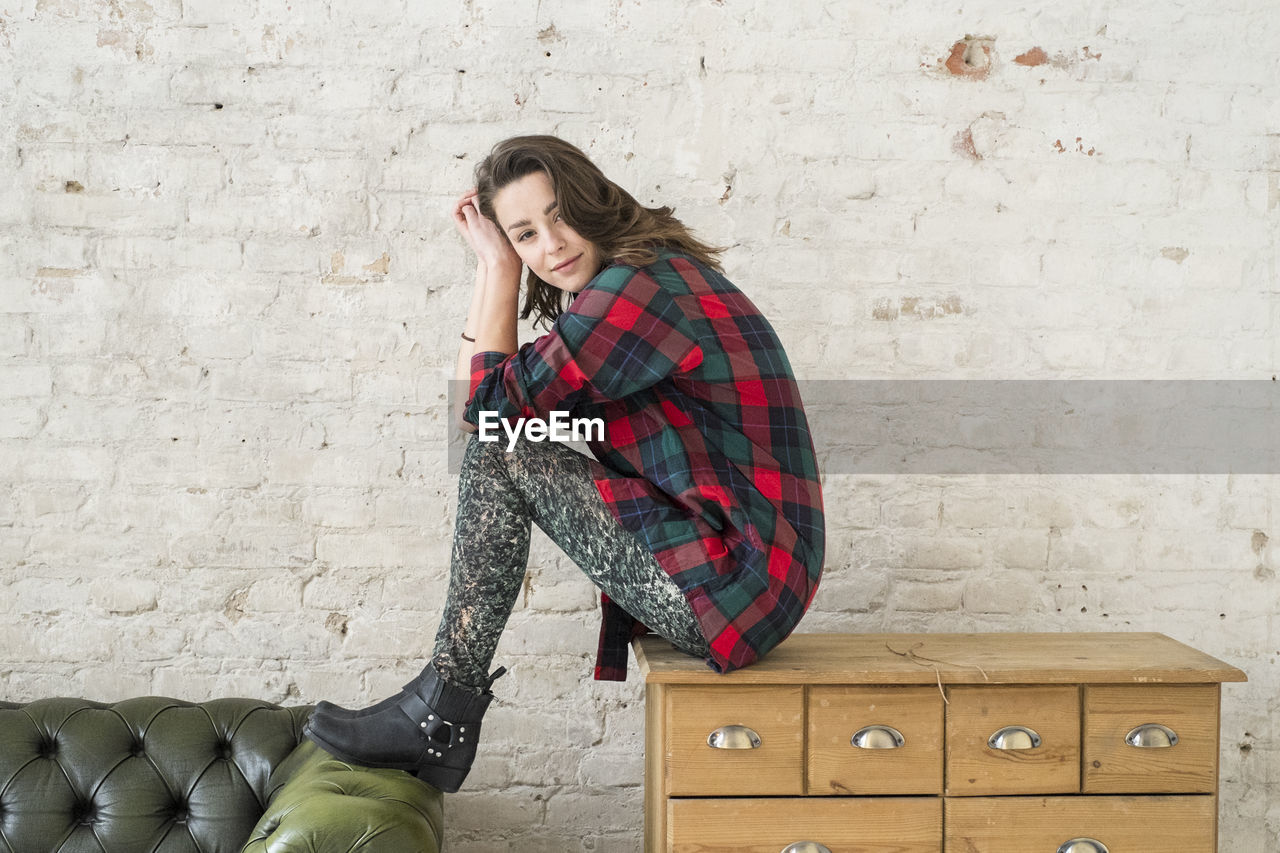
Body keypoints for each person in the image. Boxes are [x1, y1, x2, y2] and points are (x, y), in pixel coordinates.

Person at [303, 135, 825, 793]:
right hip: (749, 575)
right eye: (524, 235)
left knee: (499, 448)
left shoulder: (634, 295)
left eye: (559, 214)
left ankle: (440, 712)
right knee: (504, 445)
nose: (551, 243)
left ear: (592, 199)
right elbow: (489, 403)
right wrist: (498, 266)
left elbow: (484, 413)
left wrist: (497, 273)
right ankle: (438, 710)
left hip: (739, 587)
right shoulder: (633, 284)